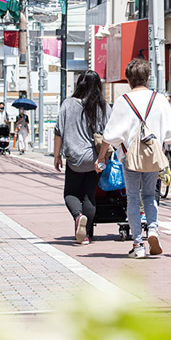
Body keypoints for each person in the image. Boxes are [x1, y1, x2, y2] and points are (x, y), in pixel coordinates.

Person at [95, 59, 171, 259]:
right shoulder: (160, 99)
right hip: (153, 156)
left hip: (130, 157)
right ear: (147, 78)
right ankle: (153, 230)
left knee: (132, 197)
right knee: (149, 195)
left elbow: (110, 135)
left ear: (129, 80)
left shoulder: (123, 101)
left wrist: (101, 157)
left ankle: (138, 244)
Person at [54, 70, 111, 245]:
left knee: (70, 193)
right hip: (95, 158)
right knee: (89, 196)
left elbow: (58, 132)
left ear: (80, 84)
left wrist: (57, 156)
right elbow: (109, 134)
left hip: (74, 158)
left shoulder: (68, 104)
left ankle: (78, 217)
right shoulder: (104, 106)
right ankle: (85, 235)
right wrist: (102, 157)